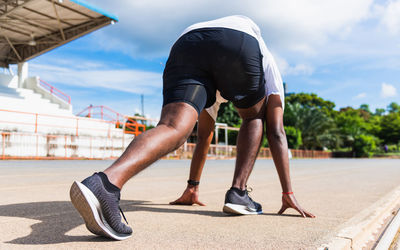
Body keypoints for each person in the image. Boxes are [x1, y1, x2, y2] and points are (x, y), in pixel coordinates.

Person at [69, 15, 313, 241]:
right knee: (253, 117)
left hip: (187, 43)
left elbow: (204, 136)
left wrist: (192, 188)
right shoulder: (266, 63)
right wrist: (288, 193)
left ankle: (106, 183)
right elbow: (277, 132)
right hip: (237, 40)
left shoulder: (212, 89)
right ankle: (239, 193)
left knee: (173, 126)